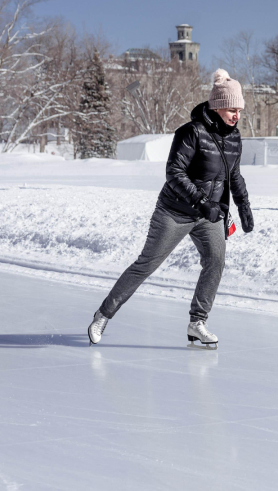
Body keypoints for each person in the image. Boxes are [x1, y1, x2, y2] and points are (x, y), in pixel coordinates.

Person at [87, 69, 255, 347]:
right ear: (218, 106)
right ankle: (103, 314)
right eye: (231, 109)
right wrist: (201, 202)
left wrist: (244, 206)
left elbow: (233, 175)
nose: (236, 115)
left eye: (239, 110)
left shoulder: (234, 138)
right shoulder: (191, 132)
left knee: (215, 261)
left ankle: (197, 322)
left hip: (210, 215)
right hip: (175, 212)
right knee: (146, 265)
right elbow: (174, 172)